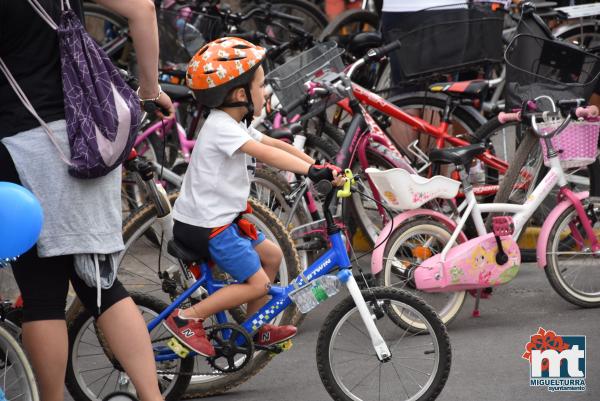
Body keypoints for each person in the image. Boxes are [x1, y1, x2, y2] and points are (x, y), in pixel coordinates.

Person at [0, 1, 174, 401]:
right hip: (91, 135)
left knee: (42, 293)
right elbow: (143, 10)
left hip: (23, 144)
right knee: (102, 284)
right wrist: (150, 91)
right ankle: (152, 396)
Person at [163, 37, 343, 356]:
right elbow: (265, 155)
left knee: (272, 256)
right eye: (260, 86)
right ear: (238, 94)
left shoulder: (235, 123)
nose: (264, 93)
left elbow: (276, 146)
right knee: (258, 284)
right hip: (207, 225)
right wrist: (311, 173)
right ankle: (188, 318)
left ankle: (254, 327)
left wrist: (318, 166)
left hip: (222, 220)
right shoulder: (222, 127)